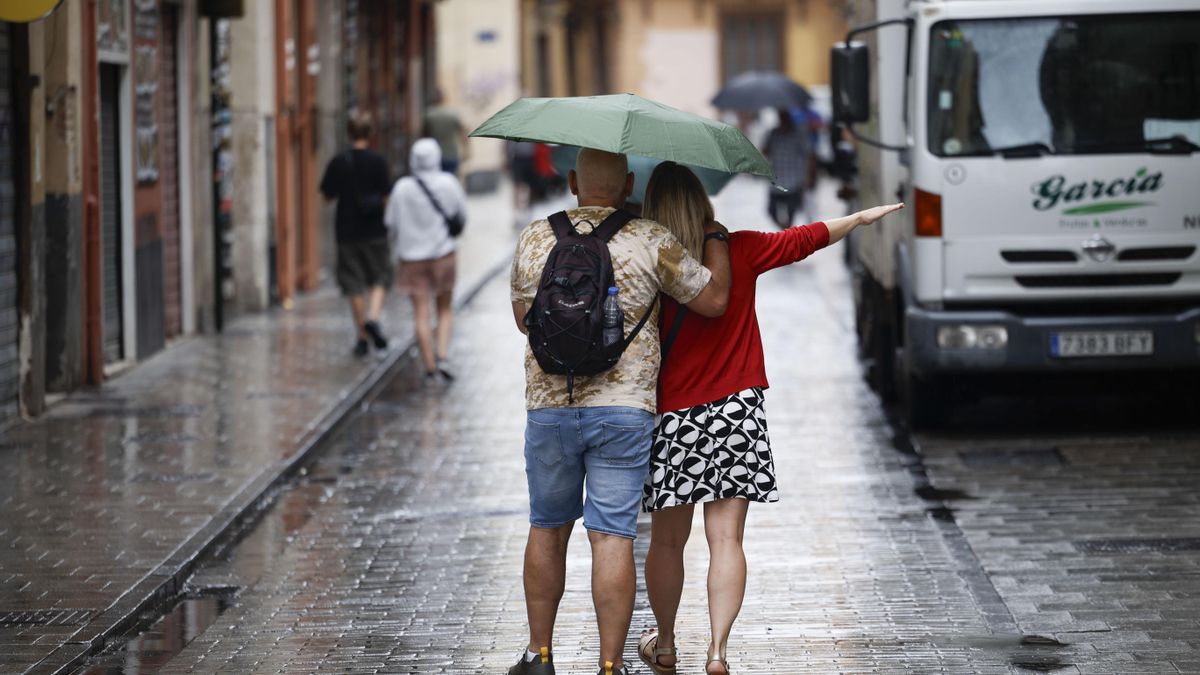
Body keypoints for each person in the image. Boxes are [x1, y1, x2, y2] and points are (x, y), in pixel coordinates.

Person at [637, 162, 902, 675]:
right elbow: (803, 239)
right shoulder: (740, 248)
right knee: (726, 540)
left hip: (672, 417)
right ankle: (717, 651)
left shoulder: (648, 261)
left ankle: (665, 644)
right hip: (736, 412)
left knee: (667, 541)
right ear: (701, 201)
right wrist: (857, 218)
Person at [507, 148, 732, 675]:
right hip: (624, 408)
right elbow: (713, 299)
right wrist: (717, 237)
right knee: (611, 535)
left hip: (549, 406)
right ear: (630, 184)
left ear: (571, 181)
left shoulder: (536, 236)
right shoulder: (651, 238)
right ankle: (610, 664)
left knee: (547, 527)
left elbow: (522, 318)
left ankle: (539, 654)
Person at [384, 138, 467, 382]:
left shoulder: (402, 188)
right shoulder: (448, 183)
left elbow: (390, 223)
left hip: (411, 259)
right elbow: (462, 216)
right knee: (444, 308)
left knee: (421, 313)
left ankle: (429, 367)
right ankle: (442, 356)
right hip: (443, 255)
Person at [320, 111, 394, 357]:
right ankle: (373, 317)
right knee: (380, 277)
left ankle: (362, 336)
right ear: (370, 133)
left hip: (347, 230)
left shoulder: (338, 161)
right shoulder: (379, 161)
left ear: (349, 133)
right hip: (375, 230)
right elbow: (387, 196)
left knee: (354, 284)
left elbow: (326, 196)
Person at [763, 107, 817, 229]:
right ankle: (785, 231)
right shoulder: (773, 133)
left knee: (791, 213)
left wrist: (810, 176)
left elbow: (810, 155)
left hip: (794, 181)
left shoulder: (800, 133)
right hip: (776, 181)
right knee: (771, 210)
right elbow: (765, 151)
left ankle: (786, 233)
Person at [423, 91, 468, 175]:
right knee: (450, 178)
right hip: (451, 153)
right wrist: (466, 150)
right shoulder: (453, 114)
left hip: (434, 154)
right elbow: (463, 133)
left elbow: (424, 135)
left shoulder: (429, 115)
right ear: (444, 98)